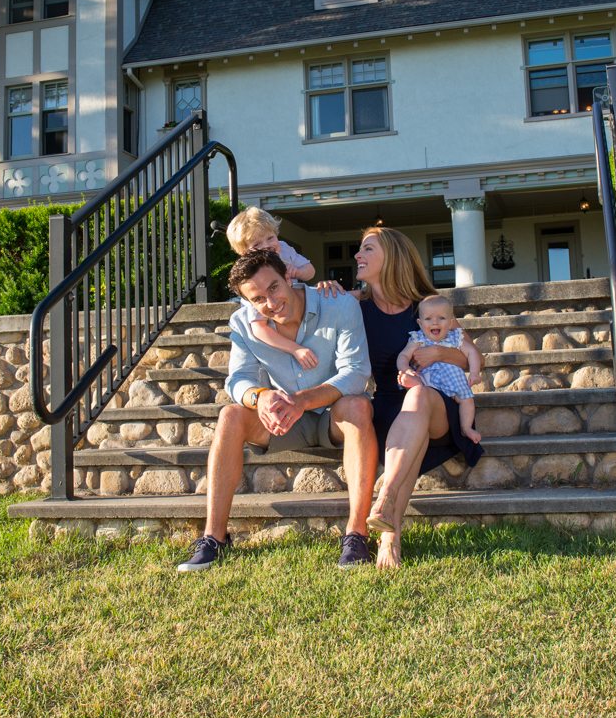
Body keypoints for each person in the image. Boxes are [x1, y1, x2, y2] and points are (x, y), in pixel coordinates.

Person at [177, 248, 376, 572]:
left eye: (273, 288)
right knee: (230, 415)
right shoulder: (243, 323)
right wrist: (261, 398)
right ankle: (214, 538)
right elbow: (238, 380)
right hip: (283, 420)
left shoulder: (340, 305)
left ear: (288, 276)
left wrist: (302, 400)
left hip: (332, 415)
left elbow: (355, 373)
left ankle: (357, 534)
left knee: (357, 405)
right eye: (257, 299)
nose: (270, 302)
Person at [327, 227, 484, 568]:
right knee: (409, 425)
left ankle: (386, 501)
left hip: (439, 406)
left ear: (392, 257)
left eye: (367, 249)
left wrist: (438, 354)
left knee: (420, 397)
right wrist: (324, 289)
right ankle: (389, 530)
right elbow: (304, 305)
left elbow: (470, 356)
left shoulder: (428, 307)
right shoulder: (355, 306)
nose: (357, 255)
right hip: (386, 406)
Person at [391, 294, 483, 461]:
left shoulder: (456, 337)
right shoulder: (418, 338)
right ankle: (409, 382)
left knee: (467, 400)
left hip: (454, 382)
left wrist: (475, 373)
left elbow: (472, 353)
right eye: (428, 319)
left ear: (450, 322)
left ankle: (466, 427)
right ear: (420, 323)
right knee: (419, 388)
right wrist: (404, 369)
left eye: (441, 318)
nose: (435, 322)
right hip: (429, 382)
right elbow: (403, 356)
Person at [225, 207, 318, 369]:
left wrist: (297, 271)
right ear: (244, 253)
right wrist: (294, 349)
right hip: (278, 335)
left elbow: (310, 271)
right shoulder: (250, 279)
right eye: (257, 244)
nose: (267, 245)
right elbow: (259, 329)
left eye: (270, 238)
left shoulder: (284, 249)